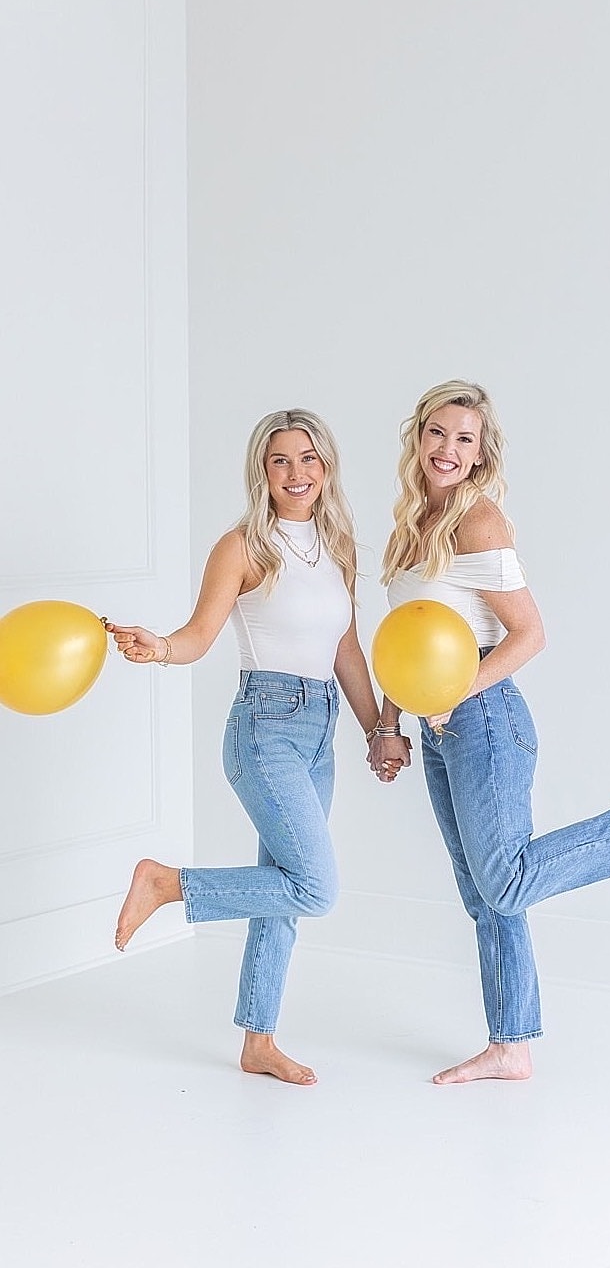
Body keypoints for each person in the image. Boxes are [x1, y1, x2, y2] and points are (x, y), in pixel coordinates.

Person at [367, 379, 610, 1084]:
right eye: (437, 432)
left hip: (484, 715)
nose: (448, 448)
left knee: (506, 879)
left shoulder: (478, 520)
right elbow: (405, 643)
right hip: (438, 724)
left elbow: (529, 634)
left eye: (464, 438)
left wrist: (454, 693)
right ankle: (510, 1044)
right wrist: (389, 723)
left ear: (480, 453)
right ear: (417, 437)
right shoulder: (411, 524)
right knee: (484, 894)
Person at [108, 408, 404, 1086]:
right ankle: (166, 883)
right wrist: (159, 648)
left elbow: (346, 649)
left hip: (320, 731)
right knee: (315, 887)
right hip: (263, 728)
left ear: (325, 466)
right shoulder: (242, 546)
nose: (295, 473)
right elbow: (198, 635)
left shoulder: (338, 546)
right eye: (280, 461)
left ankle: (258, 1041)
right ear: (262, 472)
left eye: (308, 458)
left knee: (286, 892)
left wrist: (377, 730)